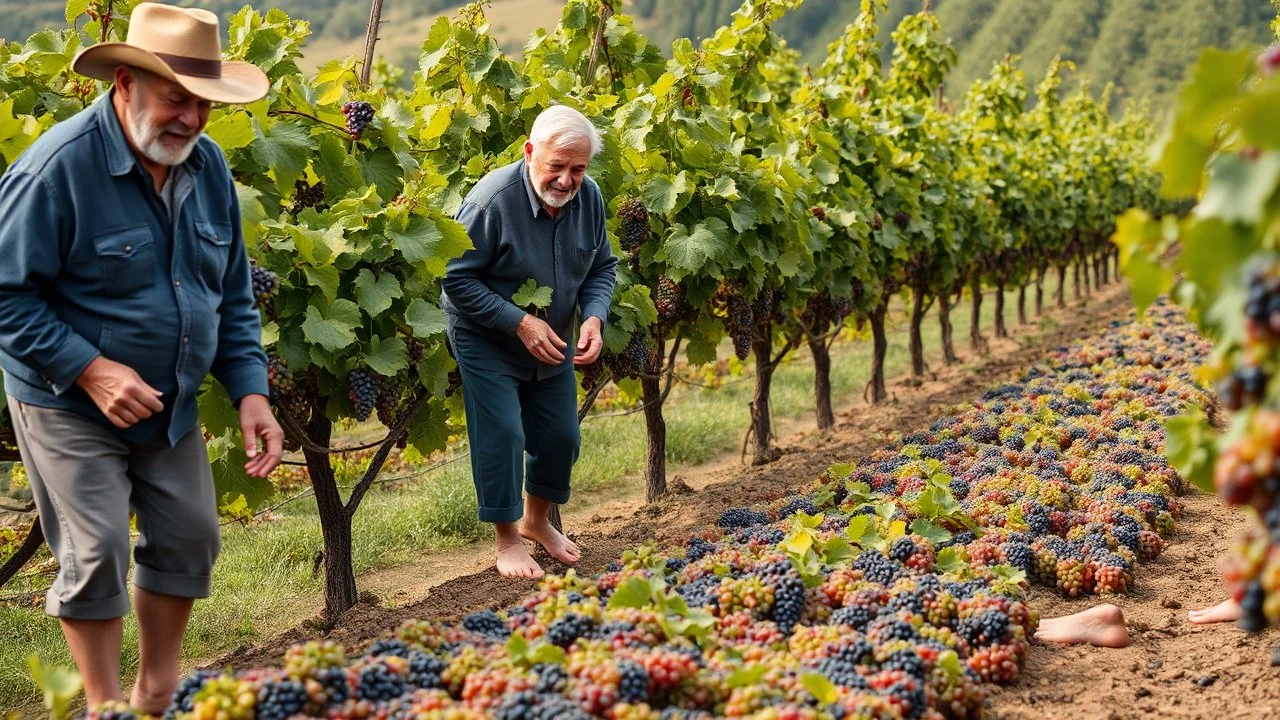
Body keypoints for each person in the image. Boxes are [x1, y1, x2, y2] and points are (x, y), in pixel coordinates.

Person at [0, 3, 282, 712]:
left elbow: (231, 294)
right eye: (175, 99)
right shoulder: (56, 171)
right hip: (64, 400)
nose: (189, 118)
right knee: (95, 551)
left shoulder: (207, 167)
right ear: (124, 84)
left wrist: (251, 390)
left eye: (203, 104)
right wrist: (90, 368)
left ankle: (156, 689)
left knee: (191, 537)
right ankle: (103, 706)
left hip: (171, 396)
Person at [442, 105, 618, 580]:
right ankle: (506, 540)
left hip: (553, 336)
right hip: (486, 335)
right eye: (556, 167)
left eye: (577, 169)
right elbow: (455, 280)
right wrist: (517, 321)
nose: (566, 180)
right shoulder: (490, 203)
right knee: (503, 432)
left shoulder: (591, 199)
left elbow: (603, 266)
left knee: (561, 436)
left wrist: (594, 318)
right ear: (529, 152)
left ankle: (536, 521)